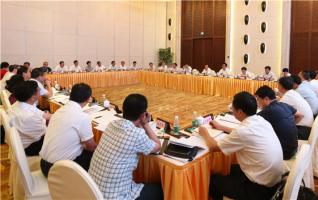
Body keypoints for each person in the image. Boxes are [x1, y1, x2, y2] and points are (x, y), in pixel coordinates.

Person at [199, 91, 283, 200]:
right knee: (229, 169)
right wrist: (221, 127)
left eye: (232, 107)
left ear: (239, 111)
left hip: (258, 190)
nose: (231, 109)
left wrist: (204, 133)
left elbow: (213, 147)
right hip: (273, 182)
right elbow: (243, 134)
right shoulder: (261, 120)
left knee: (210, 181)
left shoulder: (243, 131)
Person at [89, 94, 162, 200]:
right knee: (160, 190)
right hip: (116, 197)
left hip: (92, 191)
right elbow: (158, 146)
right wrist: (145, 124)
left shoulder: (111, 125)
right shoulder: (137, 135)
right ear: (143, 115)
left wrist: (140, 122)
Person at [40, 83, 97, 177]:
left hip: (44, 165)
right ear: (88, 99)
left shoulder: (59, 111)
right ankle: (90, 186)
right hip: (59, 171)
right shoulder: (82, 117)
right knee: (96, 155)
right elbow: (91, 147)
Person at [255, 86, 299, 160]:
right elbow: (300, 115)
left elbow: (250, 126)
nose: (257, 102)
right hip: (294, 148)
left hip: (283, 153)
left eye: (258, 99)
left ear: (266, 99)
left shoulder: (268, 111)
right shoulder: (283, 105)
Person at [9, 80, 50, 156]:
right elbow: (48, 134)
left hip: (22, 141)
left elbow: (44, 115)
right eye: (38, 90)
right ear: (33, 97)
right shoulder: (30, 116)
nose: (40, 90)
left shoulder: (18, 104)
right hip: (30, 147)